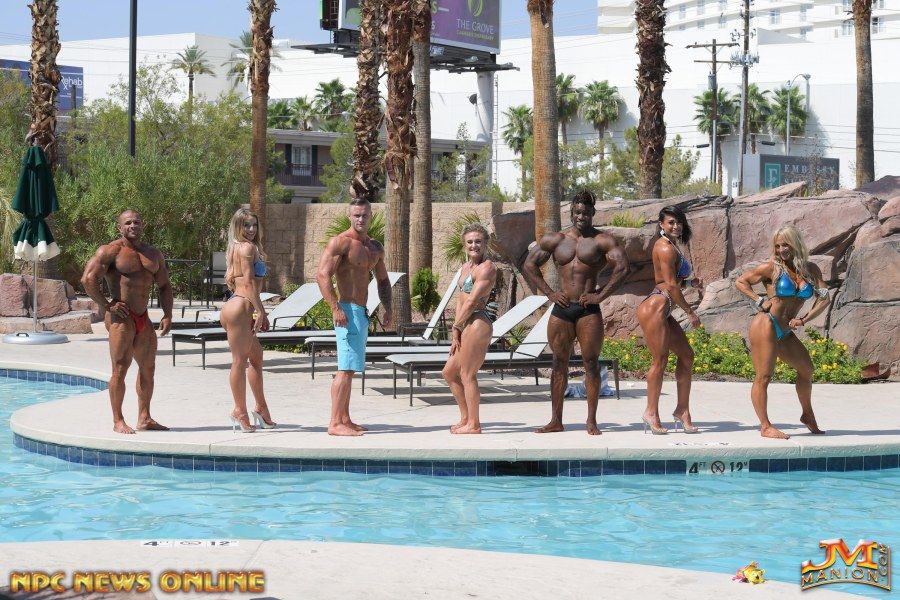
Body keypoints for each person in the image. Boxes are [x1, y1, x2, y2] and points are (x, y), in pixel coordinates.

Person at [523, 190, 630, 435]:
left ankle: (591, 421)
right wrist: (549, 293)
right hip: (562, 309)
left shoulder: (602, 240)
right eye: (577, 212)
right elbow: (529, 265)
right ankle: (555, 420)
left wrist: (599, 295)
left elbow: (623, 268)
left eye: (586, 212)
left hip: (587, 310)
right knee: (558, 363)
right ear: (571, 213)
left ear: (593, 213)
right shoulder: (556, 239)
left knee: (591, 363)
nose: (581, 216)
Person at [81, 210, 173, 434]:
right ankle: (118, 420)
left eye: (137, 222)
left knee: (148, 368)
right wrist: (107, 305)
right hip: (121, 318)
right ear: (119, 228)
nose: (133, 225)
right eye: (128, 222)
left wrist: (167, 314)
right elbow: (88, 279)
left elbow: (164, 285)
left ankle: (145, 417)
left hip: (144, 317)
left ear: (143, 225)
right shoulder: (110, 251)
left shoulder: (153, 254)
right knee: (120, 369)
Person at [734, 225, 830, 440]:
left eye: (785, 245)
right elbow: (741, 281)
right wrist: (759, 300)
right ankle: (765, 426)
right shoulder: (771, 268)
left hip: (785, 330)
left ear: (795, 244)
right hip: (766, 324)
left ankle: (807, 414)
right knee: (764, 376)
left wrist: (804, 319)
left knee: (807, 369)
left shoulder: (810, 270)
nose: (781, 250)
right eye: (777, 246)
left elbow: (825, 298)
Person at [316, 198, 393, 436]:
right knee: (345, 368)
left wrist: (388, 308)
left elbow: (383, 279)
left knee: (350, 369)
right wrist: (335, 308)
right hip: (346, 310)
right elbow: (322, 275)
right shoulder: (340, 242)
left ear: (371, 216)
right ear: (349, 216)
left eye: (364, 215)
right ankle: (334, 423)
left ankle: (344, 418)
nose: (360, 219)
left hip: (361, 312)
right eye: (356, 215)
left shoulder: (375, 248)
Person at [636, 206, 704, 435]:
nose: (676, 226)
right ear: (661, 225)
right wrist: (690, 312)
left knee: (687, 355)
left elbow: (669, 281)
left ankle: (682, 410)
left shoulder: (672, 245)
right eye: (671, 222)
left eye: (679, 222)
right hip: (654, 308)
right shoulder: (665, 247)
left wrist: (690, 283)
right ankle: (650, 412)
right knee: (660, 360)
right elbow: (671, 287)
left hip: (663, 309)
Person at [220, 208, 276, 433]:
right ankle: (239, 411)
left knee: (256, 357)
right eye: (246, 225)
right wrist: (261, 311)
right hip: (240, 308)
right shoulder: (247, 248)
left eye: (254, 225)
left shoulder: (239, 247)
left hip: (238, 306)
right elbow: (250, 283)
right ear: (238, 227)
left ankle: (261, 408)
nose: (251, 229)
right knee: (239, 361)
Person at [441, 223, 498, 434]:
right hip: (465, 323)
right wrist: (456, 328)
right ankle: (466, 418)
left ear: (486, 243)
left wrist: (457, 326)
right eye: (470, 242)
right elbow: (460, 299)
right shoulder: (466, 267)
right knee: (449, 373)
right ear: (464, 244)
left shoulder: (487, 268)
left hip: (478, 323)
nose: (474, 245)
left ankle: (474, 425)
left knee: (467, 374)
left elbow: (473, 301)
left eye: (478, 241)